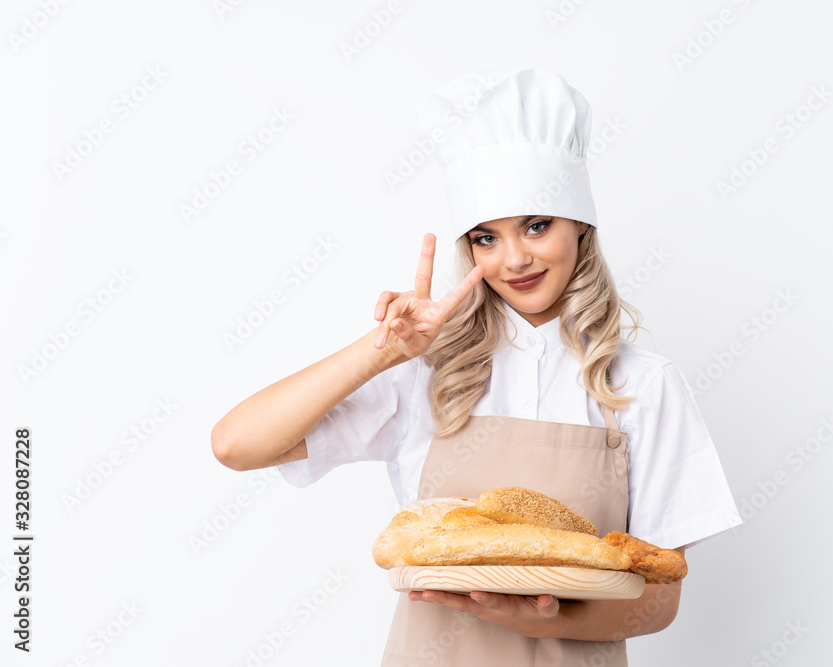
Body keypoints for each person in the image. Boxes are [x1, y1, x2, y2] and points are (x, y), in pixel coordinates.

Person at [212, 68, 742, 666]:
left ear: (581, 228)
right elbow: (237, 445)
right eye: (486, 238)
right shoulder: (427, 372)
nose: (514, 258)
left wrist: (534, 615)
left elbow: (659, 599)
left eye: (536, 225)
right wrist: (382, 352)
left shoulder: (642, 384)